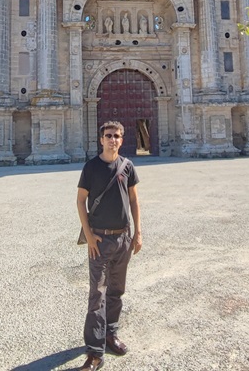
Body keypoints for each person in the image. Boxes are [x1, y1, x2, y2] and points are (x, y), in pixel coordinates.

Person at [77, 121, 142, 371]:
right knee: (97, 295)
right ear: (101, 139)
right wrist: (89, 236)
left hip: (123, 238)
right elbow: (80, 201)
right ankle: (94, 352)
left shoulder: (127, 167)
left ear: (121, 139)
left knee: (116, 291)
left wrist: (138, 233)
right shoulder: (91, 167)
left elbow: (134, 199)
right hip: (100, 241)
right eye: (108, 136)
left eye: (116, 136)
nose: (112, 139)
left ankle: (110, 335)